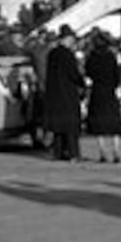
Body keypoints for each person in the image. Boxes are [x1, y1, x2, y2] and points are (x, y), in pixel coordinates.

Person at [42, 28, 85, 161]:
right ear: (67, 40)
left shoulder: (52, 54)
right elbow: (74, 74)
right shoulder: (68, 55)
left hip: (54, 94)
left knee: (58, 128)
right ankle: (73, 154)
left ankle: (58, 153)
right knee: (71, 127)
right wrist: (82, 82)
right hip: (67, 94)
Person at [83, 33, 121, 163]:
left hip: (98, 91)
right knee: (114, 123)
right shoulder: (111, 56)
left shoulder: (93, 57)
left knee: (98, 123)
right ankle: (116, 151)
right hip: (110, 91)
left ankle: (103, 152)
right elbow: (117, 76)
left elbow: (88, 72)